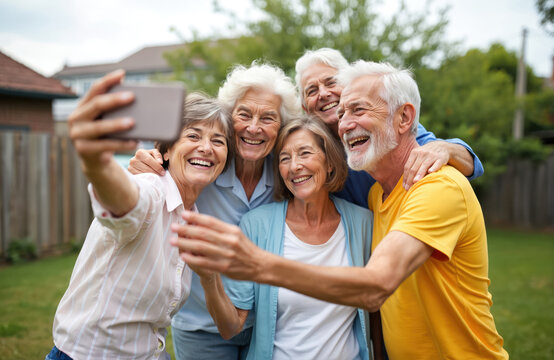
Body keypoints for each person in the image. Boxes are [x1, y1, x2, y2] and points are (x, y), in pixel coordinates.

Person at [170, 61, 509, 359]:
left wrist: (451, 148)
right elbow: (174, 161)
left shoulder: (424, 189)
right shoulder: (378, 196)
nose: (345, 122)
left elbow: (375, 287)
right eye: (343, 114)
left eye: (357, 109)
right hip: (202, 327)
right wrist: (152, 161)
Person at [46, 70, 233, 360]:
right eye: (193, 135)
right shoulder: (152, 189)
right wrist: (96, 161)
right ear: (167, 150)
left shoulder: (191, 216)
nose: (206, 147)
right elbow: (126, 202)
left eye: (218, 141)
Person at [130, 63, 301, 360]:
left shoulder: (289, 175)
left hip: (269, 328)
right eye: (244, 114)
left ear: (282, 126)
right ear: (228, 118)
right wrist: (146, 163)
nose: (254, 127)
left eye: (268, 118)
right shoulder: (203, 167)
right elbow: (162, 168)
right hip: (201, 327)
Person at [190, 116, 373, 359]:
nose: (294, 166)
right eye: (285, 158)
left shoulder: (363, 223)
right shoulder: (257, 225)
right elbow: (230, 328)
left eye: (305, 153)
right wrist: (209, 278)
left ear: (330, 162)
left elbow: (378, 312)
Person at [294, 48, 484, 208]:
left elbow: (469, 165)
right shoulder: (309, 151)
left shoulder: (390, 127)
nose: (324, 93)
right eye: (312, 90)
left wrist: (447, 149)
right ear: (305, 108)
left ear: (350, 87)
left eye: (331, 82)